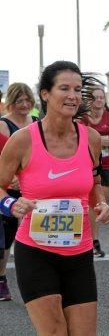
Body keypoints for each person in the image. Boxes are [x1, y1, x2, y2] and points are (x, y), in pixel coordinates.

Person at [0, 61, 109, 334]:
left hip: (79, 253)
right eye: (64, 88)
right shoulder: (23, 140)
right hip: (36, 253)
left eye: (77, 89)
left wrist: (100, 203)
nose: (73, 95)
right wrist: (11, 203)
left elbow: (93, 182)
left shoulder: (92, 138)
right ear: (45, 94)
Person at [0, 83, 40, 301]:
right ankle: (2, 277)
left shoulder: (36, 123)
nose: (25, 105)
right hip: (8, 189)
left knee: (31, 232)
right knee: (6, 237)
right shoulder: (3, 125)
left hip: (32, 189)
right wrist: (12, 179)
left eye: (28, 101)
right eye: (20, 101)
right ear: (11, 102)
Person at [82, 87, 109, 257]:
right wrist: (96, 141)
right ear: (90, 100)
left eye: (102, 97)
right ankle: (93, 241)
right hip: (87, 165)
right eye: (96, 98)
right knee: (92, 204)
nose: (100, 100)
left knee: (102, 203)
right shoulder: (82, 118)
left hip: (106, 164)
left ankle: (91, 238)